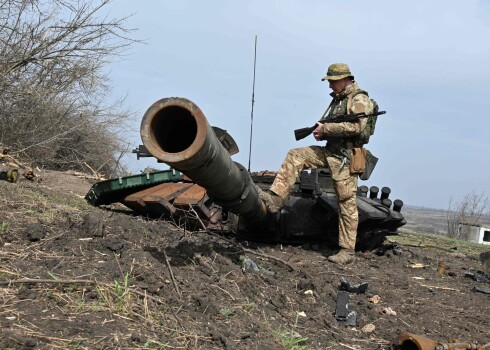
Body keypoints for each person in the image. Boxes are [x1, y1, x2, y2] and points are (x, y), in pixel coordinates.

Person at [259, 63, 375, 265]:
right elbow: (333, 128)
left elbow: (357, 126)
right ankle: (276, 199)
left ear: (345, 79)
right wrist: (321, 132)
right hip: (330, 152)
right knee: (297, 155)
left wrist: (327, 129)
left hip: (345, 159)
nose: (330, 85)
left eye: (332, 81)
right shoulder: (338, 101)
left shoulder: (359, 99)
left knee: (346, 203)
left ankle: (347, 251)